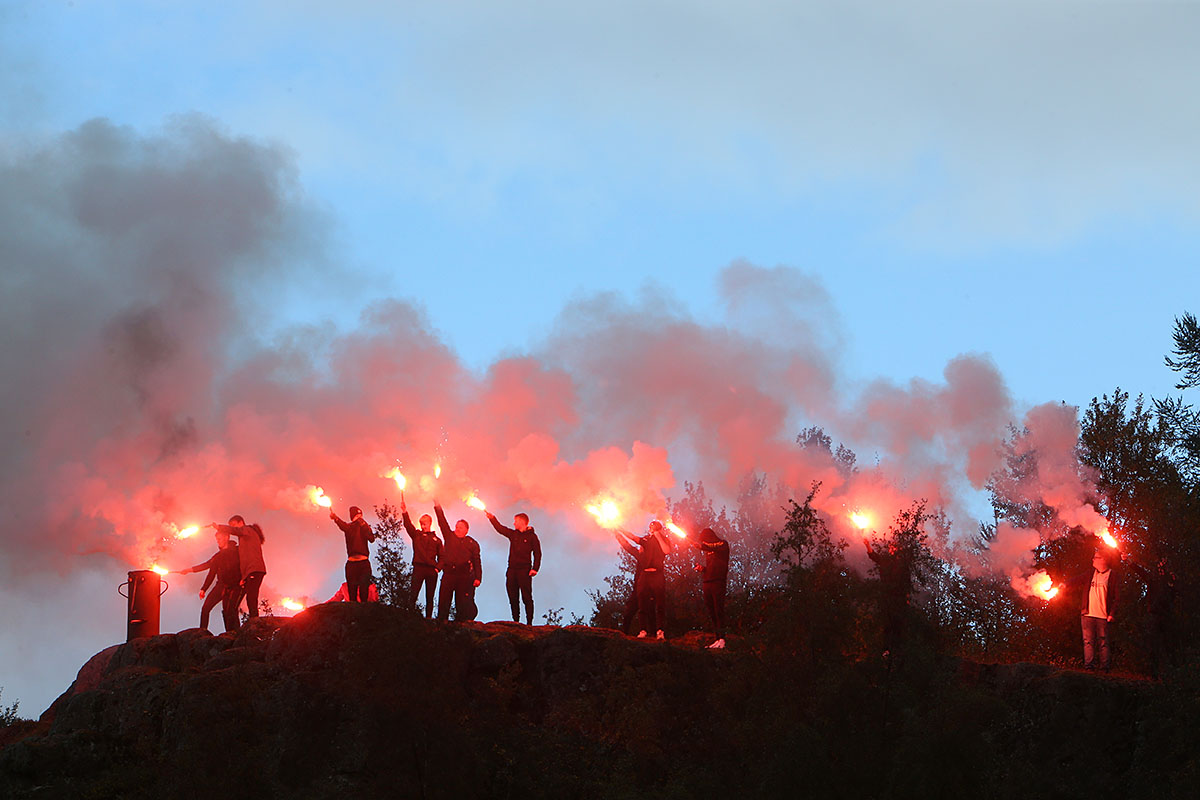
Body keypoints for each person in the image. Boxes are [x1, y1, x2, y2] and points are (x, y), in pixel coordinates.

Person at [174, 529, 242, 632]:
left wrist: (244, 579)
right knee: (206, 609)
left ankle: (234, 634)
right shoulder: (218, 556)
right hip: (221, 586)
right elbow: (209, 569)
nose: (218, 541)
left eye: (219, 539)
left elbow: (245, 564)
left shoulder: (237, 551)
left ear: (227, 537)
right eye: (217, 539)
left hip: (234, 586)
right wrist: (202, 587)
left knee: (230, 611)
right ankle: (202, 633)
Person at [617, 520, 674, 639]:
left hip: (657, 574)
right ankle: (643, 630)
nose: (650, 529)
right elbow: (633, 539)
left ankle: (660, 631)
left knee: (659, 603)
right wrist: (620, 530)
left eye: (653, 527)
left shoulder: (664, 540)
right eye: (650, 527)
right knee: (642, 602)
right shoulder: (646, 540)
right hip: (645, 575)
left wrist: (658, 536)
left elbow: (667, 550)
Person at [483, 509, 542, 624]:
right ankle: (516, 622)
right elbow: (500, 529)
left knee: (526, 597)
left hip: (525, 571)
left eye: (515, 521)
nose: (514, 523)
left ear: (522, 521)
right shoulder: (513, 534)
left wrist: (535, 568)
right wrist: (492, 518)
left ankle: (529, 623)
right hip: (512, 570)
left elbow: (538, 553)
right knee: (513, 597)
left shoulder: (532, 537)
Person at [1124, 554, 1177, 677]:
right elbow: (1141, 572)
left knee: (1169, 644)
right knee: (1153, 645)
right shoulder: (1154, 577)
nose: (1161, 565)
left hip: (1166, 616)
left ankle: (1174, 673)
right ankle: (1154, 673)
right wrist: (1129, 562)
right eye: (1160, 563)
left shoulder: (1171, 579)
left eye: (1164, 563)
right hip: (1154, 615)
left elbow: (1173, 593)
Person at [863, 535, 916, 659]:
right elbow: (874, 556)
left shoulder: (903, 565)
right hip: (887, 598)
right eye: (891, 547)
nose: (892, 549)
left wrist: (907, 598)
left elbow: (907, 582)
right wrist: (867, 545)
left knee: (898, 625)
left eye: (894, 547)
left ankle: (898, 651)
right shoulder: (886, 561)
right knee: (887, 625)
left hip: (899, 599)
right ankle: (886, 651)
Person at [434, 501, 482, 622]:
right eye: (456, 526)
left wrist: (478, 578)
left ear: (466, 530)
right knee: (444, 602)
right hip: (449, 574)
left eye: (460, 527)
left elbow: (477, 561)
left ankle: (461, 627)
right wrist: (437, 504)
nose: (457, 529)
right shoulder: (449, 536)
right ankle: (441, 625)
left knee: (462, 604)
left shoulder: (472, 543)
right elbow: (442, 521)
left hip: (463, 577)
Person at [210, 515, 267, 619]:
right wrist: (244, 577)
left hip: (254, 570)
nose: (233, 528)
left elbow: (237, 531)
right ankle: (253, 621)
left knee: (251, 597)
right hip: (251, 571)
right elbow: (244, 559)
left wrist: (219, 527)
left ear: (240, 522)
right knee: (250, 597)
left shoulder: (248, 530)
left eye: (233, 525)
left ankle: (254, 621)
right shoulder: (245, 538)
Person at [1076, 550, 1121, 671]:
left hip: (1103, 616)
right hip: (1088, 614)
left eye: (1096, 557)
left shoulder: (1113, 575)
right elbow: (1076, 580)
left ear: (1103, 560)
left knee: (1103, 642)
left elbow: (1117, 598)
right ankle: (1089, 667)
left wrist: (1111, 614)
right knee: (1088, 642)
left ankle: (1104, 668)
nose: (1093, 559)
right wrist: (1063, 585)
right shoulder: (1090, 573)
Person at [400, 497, 443, 619]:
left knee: (430, 596)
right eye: (421, 523)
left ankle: (429, 619)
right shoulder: (416, 535)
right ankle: (409, 617)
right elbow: (408, 525)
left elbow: (442, 557)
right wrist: (404, 512)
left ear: (430, 523)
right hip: (418, 568)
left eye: (424, 523)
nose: (422, 525)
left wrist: (438, 568)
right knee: (413, 594)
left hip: (431, 570)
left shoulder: (437, 540)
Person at [688, 527, 730, 649]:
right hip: (707, 582)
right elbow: (711, 566)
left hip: (718, 582)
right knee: (712, 611)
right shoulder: (708, 550)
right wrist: (703, 569)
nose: (704, 542)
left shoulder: (722, 544)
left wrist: (701, 546)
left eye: (705, 540)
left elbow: (712, 547)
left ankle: (722, 639)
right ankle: (717, 639)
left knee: (718, 610)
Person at [330, 505, 376, 603]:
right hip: (351, 565)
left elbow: (371, 539)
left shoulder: (364, 526)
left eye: (361, 515)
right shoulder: (349, 527)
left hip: (363, 564)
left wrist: (363, 525)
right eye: (357, 516)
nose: (360, 518)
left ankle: (363, 614)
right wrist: (335, 518)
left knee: (364, 592)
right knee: (352, 595)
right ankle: (353, 616)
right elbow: (342, 525)